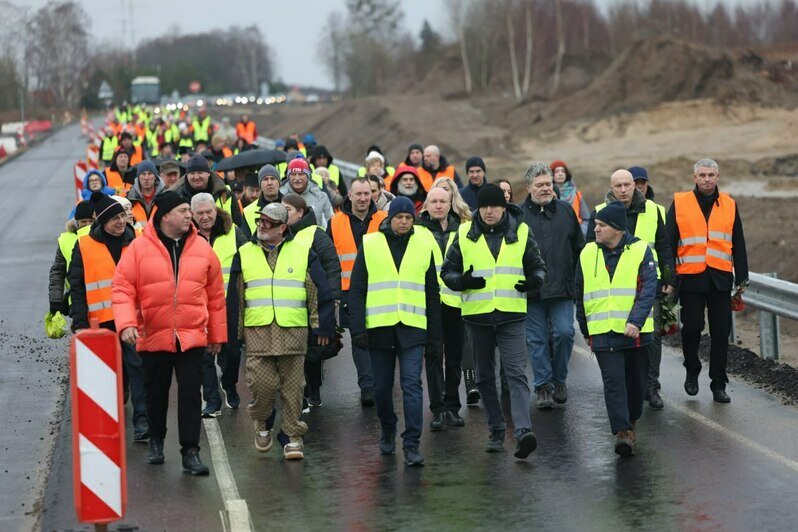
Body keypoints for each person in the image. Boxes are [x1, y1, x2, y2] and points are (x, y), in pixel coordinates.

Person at [112, 191, 227, 475]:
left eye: (189, 210)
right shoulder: (139, 249)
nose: (190, 215)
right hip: (153, 334)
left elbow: (215, 295)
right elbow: (123, 288)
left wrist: (216, 335)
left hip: (191, 336)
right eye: (183, 210)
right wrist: (126, 324)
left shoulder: (201, 247)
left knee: (190, 395)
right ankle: (156, 441)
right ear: (164, 216)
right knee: (155, 393)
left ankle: (191, 452)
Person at [441, 184, 546, 459]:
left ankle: (523, 431)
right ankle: (497, 428)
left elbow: (538, 266)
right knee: (485, 376)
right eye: (485, 206)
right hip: (477, 317)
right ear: (479, 208)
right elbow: (447, 271)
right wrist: (462, 281)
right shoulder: (464, 233)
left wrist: (534, 281)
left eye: (495, 206)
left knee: (516, 373)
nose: (489, 211)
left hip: (512, 315)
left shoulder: (521, 231)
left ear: (504, 207)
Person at [228, 203, 334, 460]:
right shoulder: (244, 254)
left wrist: (322, 325)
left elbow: (317, 290)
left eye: (268, 222)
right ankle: (263, 422)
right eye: (260, 221)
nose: (262, 226)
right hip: (258, 332)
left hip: (293, 332)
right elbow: (236, 297)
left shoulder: (302, 252)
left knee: (293, 389)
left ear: (283, 227)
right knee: (261, 385)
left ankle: (293, 436)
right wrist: (233, 334)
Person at [349, 197, 442, 466]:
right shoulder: (371, 244)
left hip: (413, 328)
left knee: (412, 384)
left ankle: (411, 443)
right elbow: (357, 290)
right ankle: (388, 429)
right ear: (389, 219)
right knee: (381, 388)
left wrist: (435, 337)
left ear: (413, 220)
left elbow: (432, 294)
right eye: (399, 217)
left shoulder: (424, 246)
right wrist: (357, 329)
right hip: (379, 328)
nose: (403, 222)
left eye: (408, 218)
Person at [586, 169, 675, 410]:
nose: (624, 189)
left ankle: (651, 385)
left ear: (635, 187)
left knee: (651, 335)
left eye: (629, 185)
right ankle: (625, 383)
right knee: (617, 335)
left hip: (648, 282)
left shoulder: (654, 211)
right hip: (612, 286)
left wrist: (668, 276)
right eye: (619, 186)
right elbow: (589, 250)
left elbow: (664, 246)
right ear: (611, 187)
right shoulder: (598, 211)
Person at [575, 201, 657, 457]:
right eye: (596, 224)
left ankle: (631, 422)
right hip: (602, 333)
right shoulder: (587, 253)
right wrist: (586, 329)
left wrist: (636, 321)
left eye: (601, 225)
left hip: (636, 335)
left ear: (618, 228)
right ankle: (623, 432)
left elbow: (647, 290)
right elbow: (579, 293)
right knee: (613, 383)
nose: (596, 229)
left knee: (635, 385)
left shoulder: (641, 250)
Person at [667, 159, 748, 404]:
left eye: (711, 174)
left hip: (720, 279)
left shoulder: (730, 205)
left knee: (722, 332)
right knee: (692, 328)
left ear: (718, 176)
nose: (707, 179)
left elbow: (739, 244)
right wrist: (669, 277)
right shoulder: (680, 203)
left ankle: (718, 383)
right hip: (690, 279)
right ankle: (692, 369)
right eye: (702, 175)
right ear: (694, 178)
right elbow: (669, 243)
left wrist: (742, 278)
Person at [69, 194, 147, 441]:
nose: (121, 221)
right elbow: (77, 287)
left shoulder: (136, 239)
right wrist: (80, 323)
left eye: (122, 216)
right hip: (99, 322)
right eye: (115, 218)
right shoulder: (84, 246)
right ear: (102, 222)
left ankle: (142, 422)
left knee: (137, 367)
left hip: (132, 319)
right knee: (106, 373)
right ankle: (106, 423)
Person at [519, 163, 584, 408]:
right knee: (536, 340)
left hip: (562, 288)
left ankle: (559, 380)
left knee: (565, 334)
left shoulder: (566, 212)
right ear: (528, 187)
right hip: (531, 291)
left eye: (548, 184)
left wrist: (578, 281)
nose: (546, 188)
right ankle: (543, 386)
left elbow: (579, 249)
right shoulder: (518, 215)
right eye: (540, 185)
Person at [327, 178, 388, 407]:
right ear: (349, 196)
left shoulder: (384, 220)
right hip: (349, 291)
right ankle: (368, 387)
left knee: (379, 338)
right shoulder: (335, 223)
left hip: (380, 288)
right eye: (358, 194)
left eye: (367, 194)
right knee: (359, 338)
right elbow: (330, 260)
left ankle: (380, 382)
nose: (363, 198)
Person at [191, 193, 248, 418]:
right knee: (205, 356)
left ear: (216, 211)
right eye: (200, 213)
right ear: (193, 215)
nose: (205, 217)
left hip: (229, 302)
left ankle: (229, 384)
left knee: (233, 353)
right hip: (198, 305)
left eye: (209, 212)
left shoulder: (234, 232)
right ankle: (212, 400)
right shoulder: (187, 237)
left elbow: (249, 259)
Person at [282, 193, 342, 407]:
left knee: (312, 349)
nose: (284, 213)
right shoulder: (280, 232)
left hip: (313, 301)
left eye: (288, 209)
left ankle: (312, 390)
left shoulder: (316, 235)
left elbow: (331, 264)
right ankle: (299, 391)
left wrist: (334, 296)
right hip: (288, 302)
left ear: (301, 212)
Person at [416, 187, 466, 429]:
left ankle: (453, 406)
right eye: (433, 201)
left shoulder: (462, 231)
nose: (438, 205)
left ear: (449, 203)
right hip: (430, 303)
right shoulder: (417, 231)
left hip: (456, 302)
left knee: (455, 357)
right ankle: (437, 409)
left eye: (442, 201)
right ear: (427, 204)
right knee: (434, 355)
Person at [170, 154, 244, 227]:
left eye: (200, 172)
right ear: (187, 175)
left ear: (208, 173)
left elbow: (238, 224)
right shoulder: (176, 195)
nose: (196, 177)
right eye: (192, 173)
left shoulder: (225, 193)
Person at [49, 201, 93, 318]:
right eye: (83, 221)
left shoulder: (104, 236)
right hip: (76, 301)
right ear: (77, 222)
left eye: (91, 221)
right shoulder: (65, 240)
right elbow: (58, 272)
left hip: (103, 299)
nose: (87, 225)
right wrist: (56, 300)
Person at [279, 158, 333, 229]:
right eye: (293, 174)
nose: (297, 178)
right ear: (288, 176)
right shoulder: (280, 195)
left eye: (301, 174)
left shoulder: (321, 196)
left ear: (307, 176)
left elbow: (331, 223)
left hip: (316, 239)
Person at [243, 164, 283, 238]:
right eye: (265, 179)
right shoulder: (248, 211)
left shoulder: (290, 206)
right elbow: (246, 240)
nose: (269, 183)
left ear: (279, 183)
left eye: (273, 178)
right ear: (260, 184)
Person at [550, 160, 590, 235]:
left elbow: (586, 219)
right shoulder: (547, 195)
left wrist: (580, 232)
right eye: (557, 171)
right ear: (552, 175)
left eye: (563, 171)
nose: (560, 174)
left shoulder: (576, 195)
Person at [126, 160, 164, 227]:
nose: (146, 178)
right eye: (143, 174)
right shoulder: (129, 199)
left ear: (155, 176)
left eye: (150, 173)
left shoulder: (165, 197)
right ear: (138, 177)